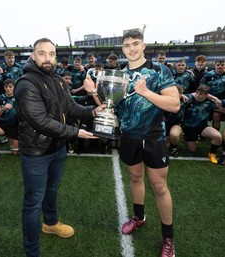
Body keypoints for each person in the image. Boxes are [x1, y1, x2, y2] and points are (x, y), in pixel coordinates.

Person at [85, 30, 180, 257]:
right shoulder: (119, 74)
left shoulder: (158, 70)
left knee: (159, 187)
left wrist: (147, 92)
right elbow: (112, 108)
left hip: (154, 136)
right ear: (123, 49)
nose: (131, 48)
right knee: (135, 178)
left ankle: (168, 239)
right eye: (127, 45)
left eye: (135, 43)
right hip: (128, 136)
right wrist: (93, 93)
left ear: (144, 45)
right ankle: (139, 217)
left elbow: (174, 104)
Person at [14, 37, 105, 257]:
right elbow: (41, 121)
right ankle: (32, 252)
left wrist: (93, 112)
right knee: (33, 202)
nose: (47, 58)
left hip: (57, 148)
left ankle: (51, 223)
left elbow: (71, 107)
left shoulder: (57, 79)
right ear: (33, 56)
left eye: (52, 53)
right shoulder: (26, 84)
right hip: (36, 152)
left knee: (52, 189)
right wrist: (76, 132)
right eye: (42, 53)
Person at [182, 85, 222, 164]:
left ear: (206, 95)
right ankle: (190, 137)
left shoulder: (209, 103)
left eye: (200, 94)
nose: (197, 95)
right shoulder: (188, 99)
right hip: (188, 128)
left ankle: (212, 153)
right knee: (192, 150)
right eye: (197, 93)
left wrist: (214, 99)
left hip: (202, 127)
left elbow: (220, 105)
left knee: (217, 136)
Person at [200, 59, 225, 131]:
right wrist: (211, 98)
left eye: (222, 65)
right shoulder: (208, 75)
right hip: (209, 100)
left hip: (223, 101)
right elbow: (202, 89)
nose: (220, 66)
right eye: (218, 65)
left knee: (218, 116)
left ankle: (222, 133)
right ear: (215, 65)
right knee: (210, 116)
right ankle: (205, 133)